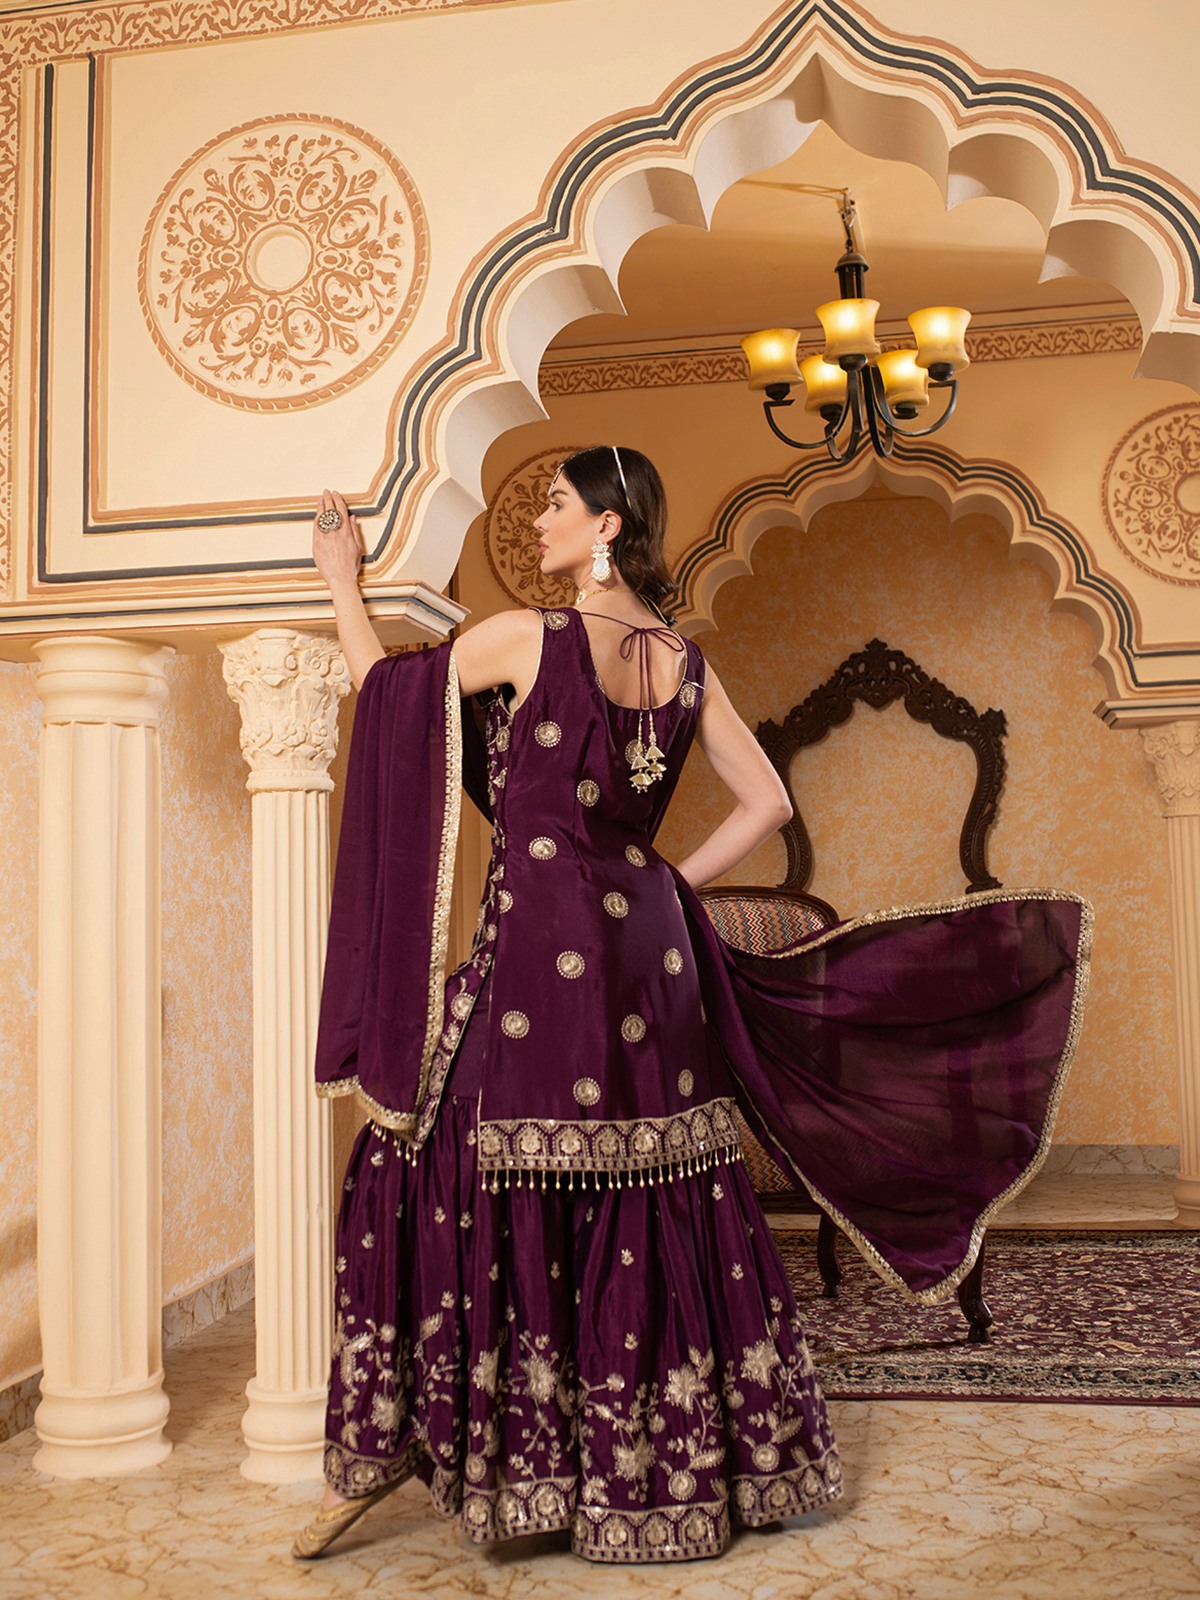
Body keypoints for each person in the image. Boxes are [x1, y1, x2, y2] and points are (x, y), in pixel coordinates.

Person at [293, 446, 1089, 1565]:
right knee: (657, 1176)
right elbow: (767, 802)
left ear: (608, 526)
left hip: (538, 953)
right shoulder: (685, 665)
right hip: (648, 951)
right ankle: (680, 1469)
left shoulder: (529, 637)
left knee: (425, 1156)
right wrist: (662, 883)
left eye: (558, 505)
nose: (540, 523)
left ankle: (488, 1456)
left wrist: (341, 582)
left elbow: (389, 702)